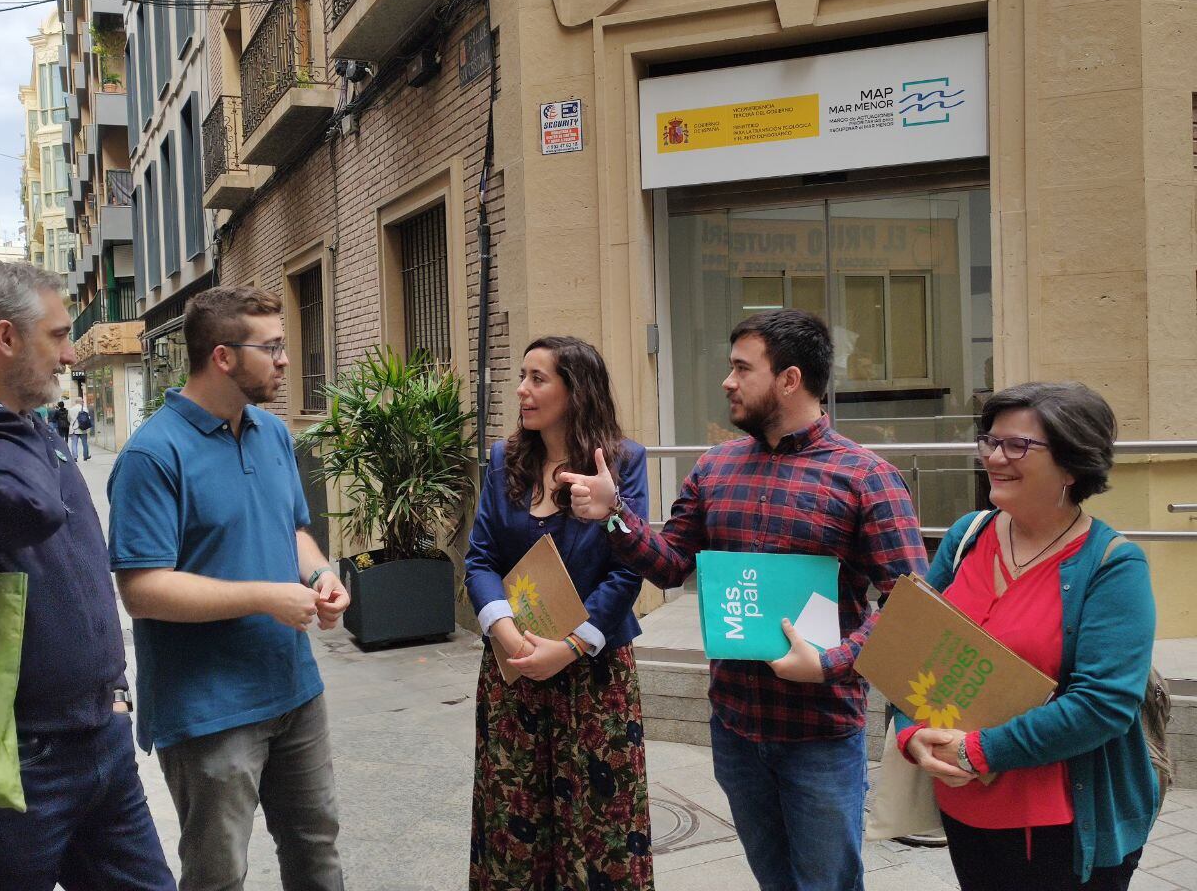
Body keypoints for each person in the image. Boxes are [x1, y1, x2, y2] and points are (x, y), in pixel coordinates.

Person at [562, 309, 927, 891]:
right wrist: (615, 517)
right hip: (735, 726)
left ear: (789, 378)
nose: (727, 382)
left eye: (740, 368)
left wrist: (830, 662)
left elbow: (913, 608)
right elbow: (671, 563)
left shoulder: (866, 478)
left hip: (821, 736)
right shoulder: (716, 468)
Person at [0, 262, 175, 891]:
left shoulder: (30, 431)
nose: (69, 355)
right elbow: (24, 506)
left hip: (99, 737)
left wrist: (113, 695)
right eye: (57, 336)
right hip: (12, 758)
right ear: (6, 337)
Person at [107, 286, 349, 891]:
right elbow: (142, 589)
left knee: (317, 855)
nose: (286, 360)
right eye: (271, 348)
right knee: (219, 875)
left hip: (294, 691)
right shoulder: (152, 455)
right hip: (209, 711)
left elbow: (292, 528)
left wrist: (319, 575)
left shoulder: (271, 434)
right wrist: (266, 597)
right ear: (222, 356)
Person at [895, 382, 1157, 891]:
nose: (994, 457)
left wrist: (979, 751)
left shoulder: (1113, 565)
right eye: (990, 441)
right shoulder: (968, 535)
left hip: (1060, 823)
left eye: (1017, 445)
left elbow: (1104, 704)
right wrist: (912, 734)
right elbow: (913, 651)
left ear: (1072, 464)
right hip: (964, 803)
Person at [465, 336, 654, 891]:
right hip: (514, 668)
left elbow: (628, 569)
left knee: (601, 826)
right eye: (522, 376)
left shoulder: (622, 462)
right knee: (513, 821)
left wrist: (571, 644)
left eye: (538, 378)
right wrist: (504, 632)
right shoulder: (504, 461)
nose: (521, 390)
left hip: (595, 678)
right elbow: (479, 558)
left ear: (577, 390)